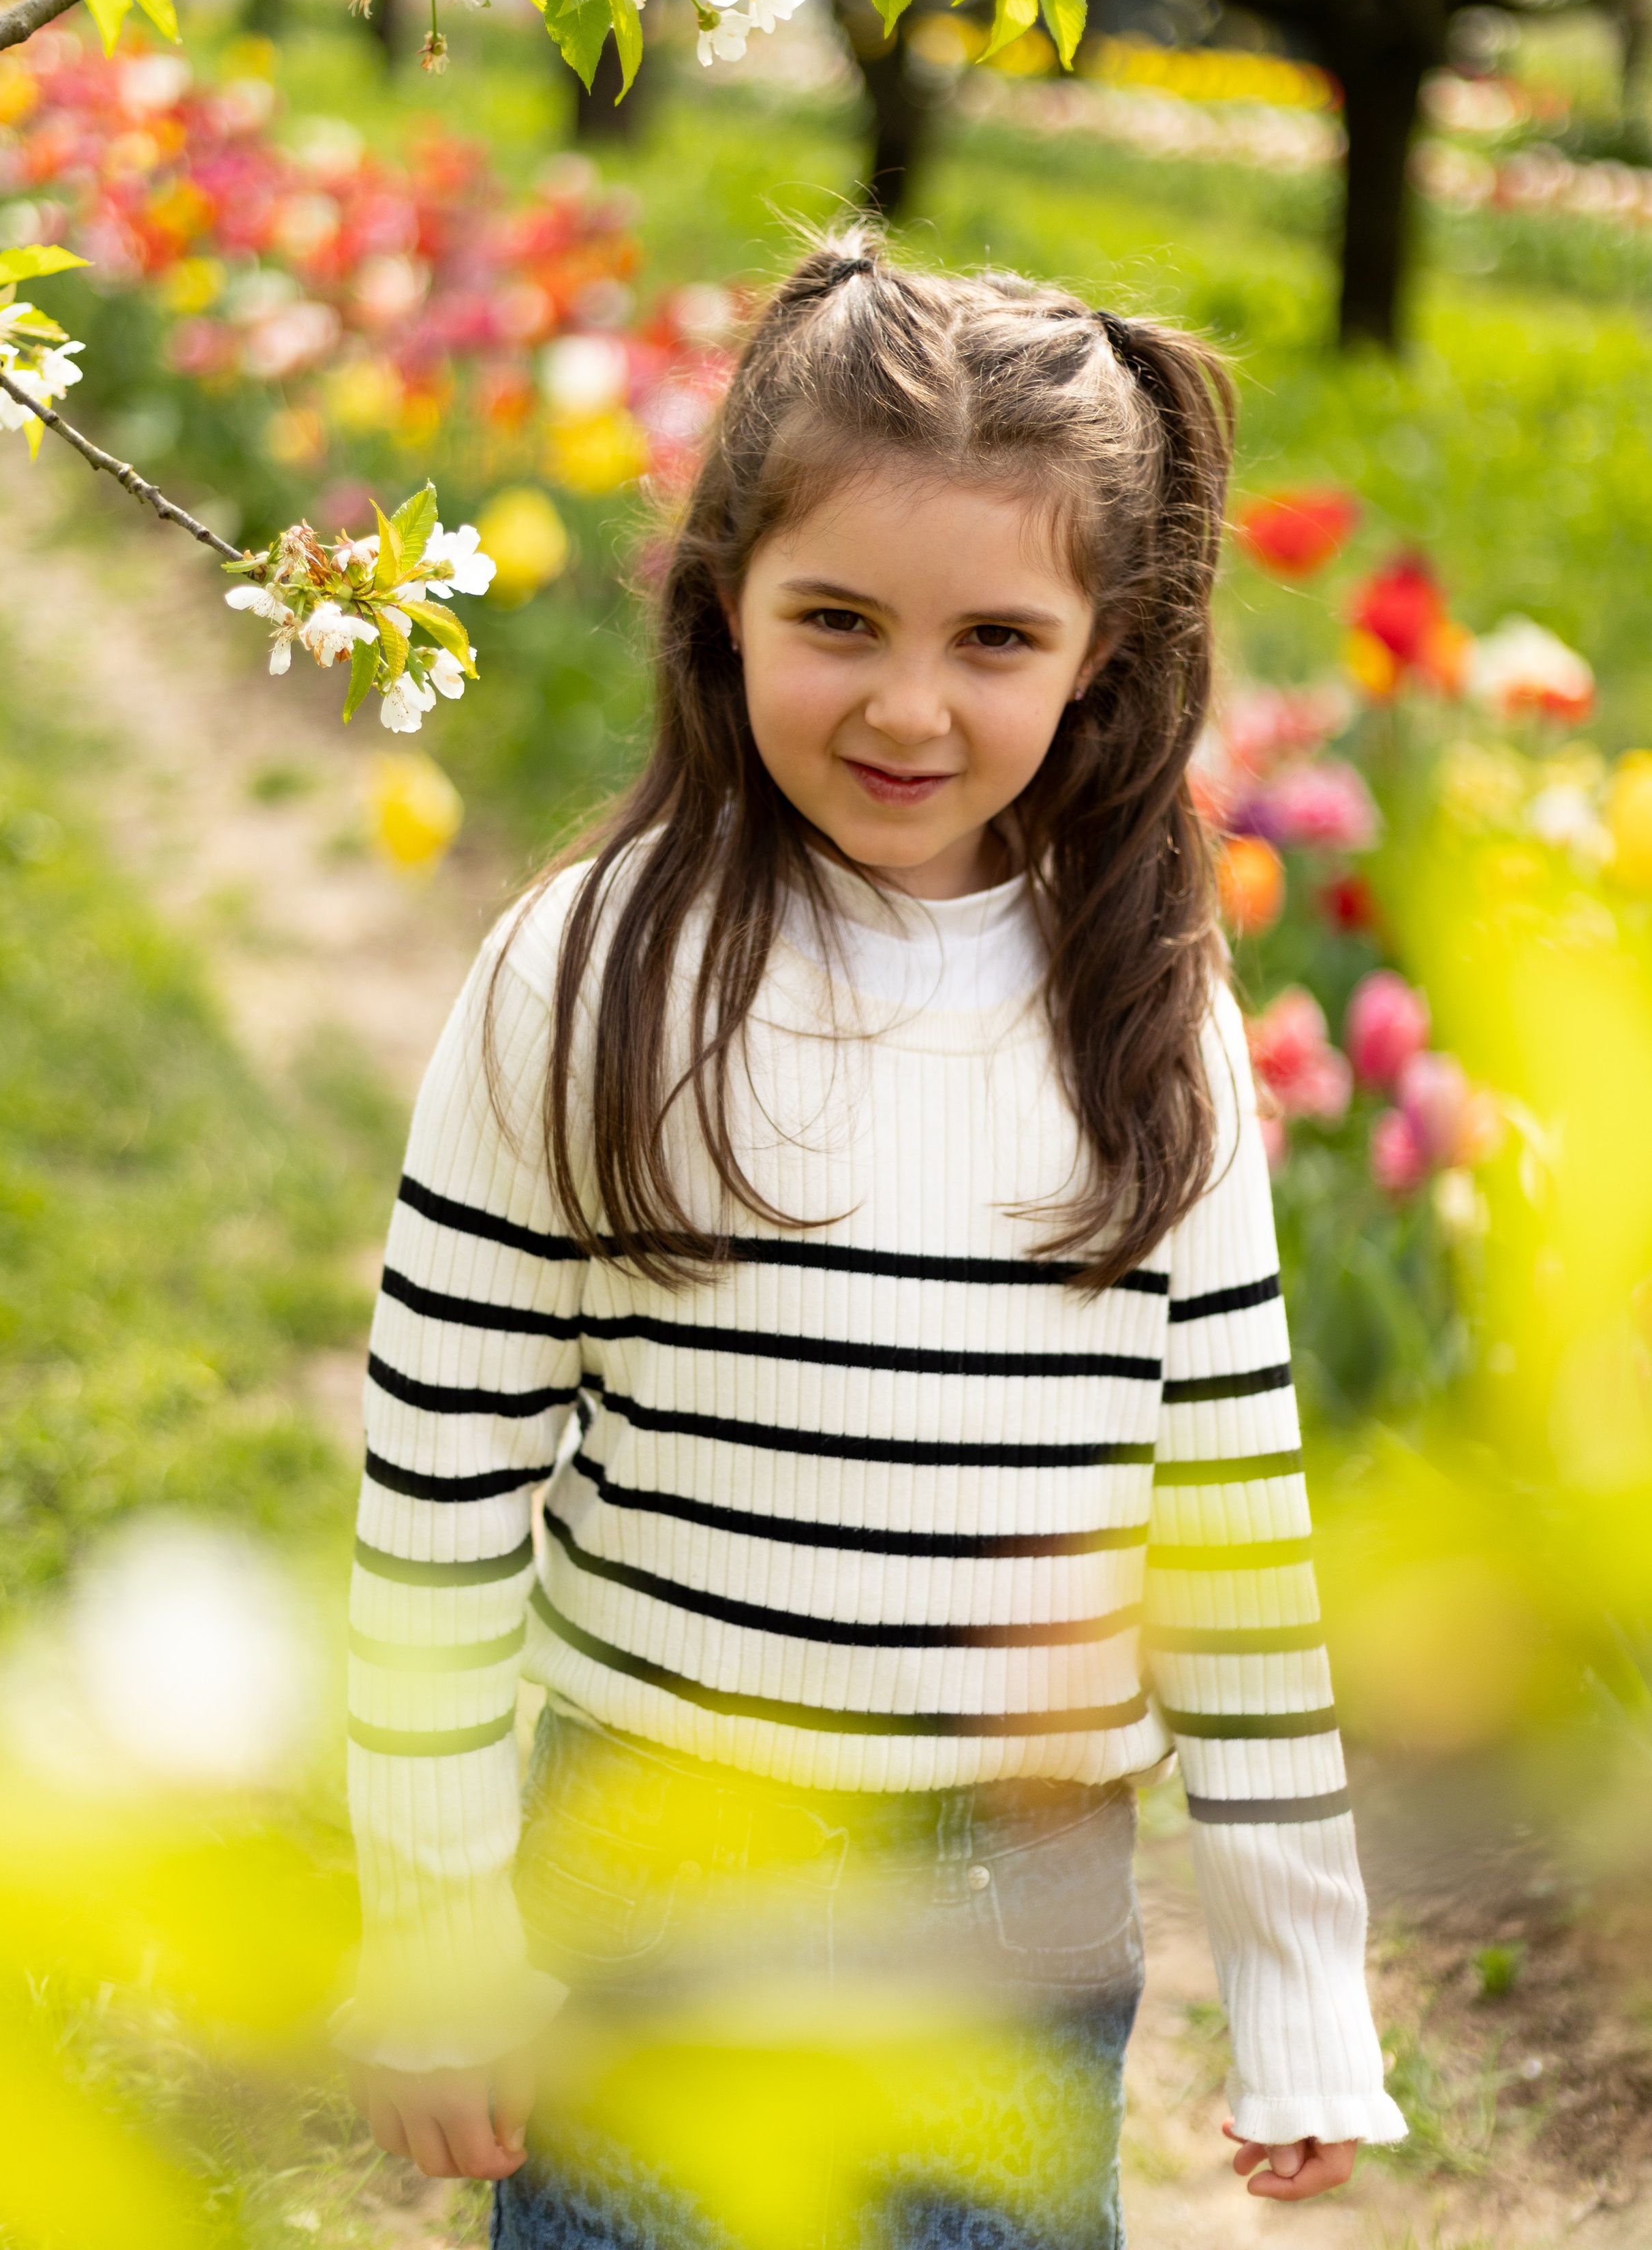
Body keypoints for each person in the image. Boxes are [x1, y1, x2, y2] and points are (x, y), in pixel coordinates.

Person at [339, 230, 1407, 2246]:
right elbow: (443, 1493)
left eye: (995, 639)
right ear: (719, 596)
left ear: (1104, 647)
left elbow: (1232, 1539)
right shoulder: (587, 974)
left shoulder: (1145, 1012)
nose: (906, 706)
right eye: (837, 618)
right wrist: (433, 1936)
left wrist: (1299, 1989)